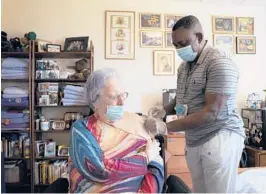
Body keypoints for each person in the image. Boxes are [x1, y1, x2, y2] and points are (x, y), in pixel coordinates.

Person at [149, 15, 245, 193]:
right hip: (194, 138)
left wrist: (165, 127)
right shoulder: (184, 66)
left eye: (183, 43)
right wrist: (163, 110)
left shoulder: (219, 63)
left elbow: (211, 112)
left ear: (199, 37)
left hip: (219, 136)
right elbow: (182, 97)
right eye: (176, 45)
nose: (179, 49)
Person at [68, 68, 164, 193]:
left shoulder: (137, 121)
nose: (122, 102)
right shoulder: (82, 129)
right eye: (113, 96)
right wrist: (144, 158)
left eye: (123, 94)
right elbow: (98, 170)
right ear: (94, 101)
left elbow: (156, 162)